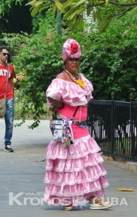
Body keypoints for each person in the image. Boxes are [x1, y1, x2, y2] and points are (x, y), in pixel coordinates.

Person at [44, 39, 112, 211]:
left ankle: (94, 199)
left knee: (89, 163)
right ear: (65, 61)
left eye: (76, 60)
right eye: (71, 60)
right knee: (69, 164)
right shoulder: (61, 78)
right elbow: (51, 95)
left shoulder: (80, 78)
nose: (74, 63)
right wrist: (58, 105)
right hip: (67, 126)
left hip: (82, 126)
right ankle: (68, 200)